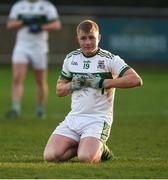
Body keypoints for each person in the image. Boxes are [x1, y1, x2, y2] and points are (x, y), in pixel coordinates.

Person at [43, 19, 143, 163]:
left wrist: (103, 82)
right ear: (77, 39)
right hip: (74, 118)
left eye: (92, 38)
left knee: (86, 157)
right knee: (50, 156)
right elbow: (59, 90)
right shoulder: (71, 58)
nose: (88, 42)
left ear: (99, 38)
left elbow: (135, 80)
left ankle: (102, 150)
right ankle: (83, 144)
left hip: (98, 119)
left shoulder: (109, 59)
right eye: (83, 38)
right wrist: (74, 84)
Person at [6, 0, 61, 119]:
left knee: (40, 80)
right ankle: (16, 109)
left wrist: (41, 26)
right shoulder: (19, 6)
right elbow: (10, 24)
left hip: (39, 48)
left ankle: (40, 110)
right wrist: (24, 22)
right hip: (22, 46)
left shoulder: (47, 6)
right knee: (17, 78)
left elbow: (56, 24)